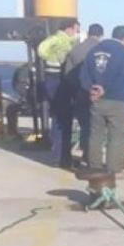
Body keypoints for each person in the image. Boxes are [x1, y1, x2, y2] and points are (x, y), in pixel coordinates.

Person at [79, 25, 124, 176]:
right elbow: (122, 78)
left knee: (95, 134)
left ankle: (94, 166)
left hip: (95, 100)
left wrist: (91, 89)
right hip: (115, 99)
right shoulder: (123, 53)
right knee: (116, 135)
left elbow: (84, 75)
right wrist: (105, 89)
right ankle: (113, 169)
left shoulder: (93, 51)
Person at [38, 19, 80, 166]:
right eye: (76, 29)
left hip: (57, 80)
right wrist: (56, 58)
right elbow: (42, 50)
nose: (76, 33)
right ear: (69, 28)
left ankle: (62, 155)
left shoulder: (66, 41)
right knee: (62, 120)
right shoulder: (58, 40)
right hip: (57, 79)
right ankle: (60, 157)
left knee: (62, 119)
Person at [62, 23, 105, 166]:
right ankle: (91, 158)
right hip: (96, 94)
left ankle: (84, 153)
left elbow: (67, 74)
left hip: (79, 93)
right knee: (95, 126)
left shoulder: (75, 49)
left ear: (87, 33)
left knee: (84, 125)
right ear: (101, 35)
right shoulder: (101, 51)